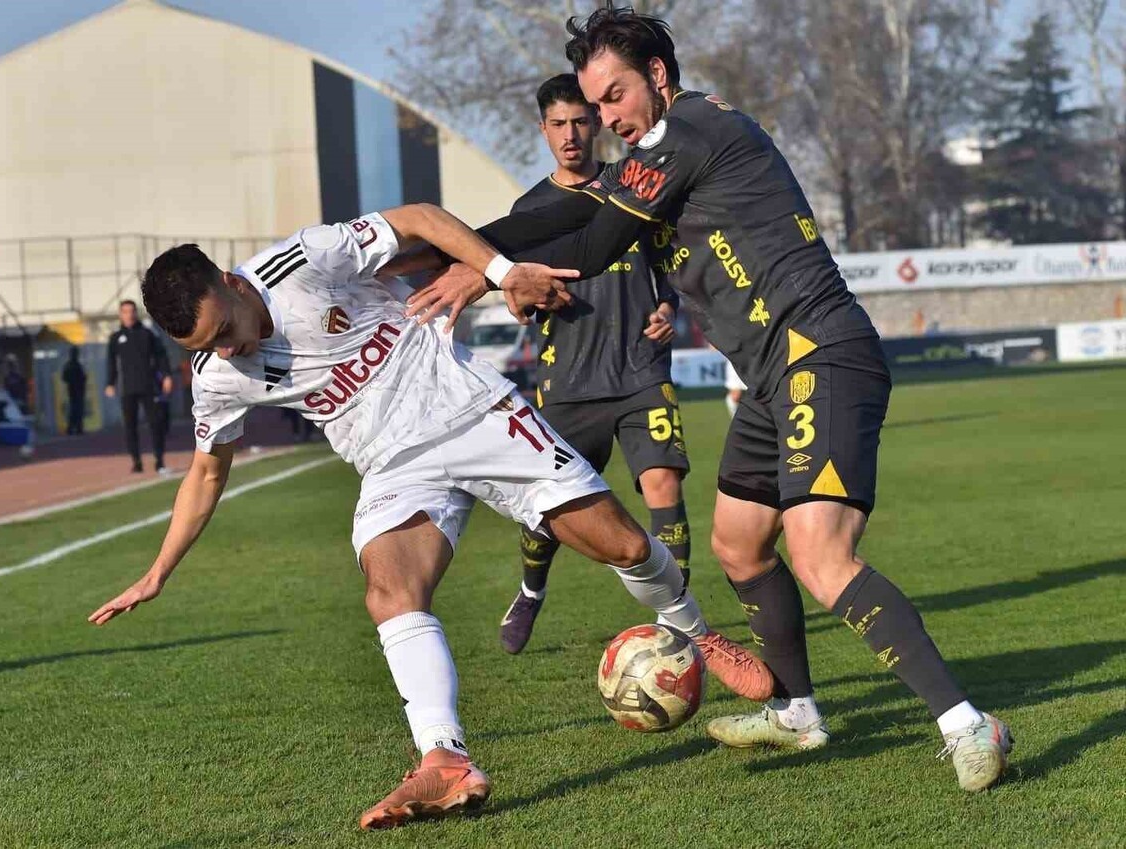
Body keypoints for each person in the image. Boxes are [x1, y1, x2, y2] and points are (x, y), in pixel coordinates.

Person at [402, 4, 1011, 792]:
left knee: (822, 557)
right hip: (772, 372)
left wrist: (481, 266)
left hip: (817, 352)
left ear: (657, 76)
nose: (607, 118)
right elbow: (571, 210)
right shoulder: (662, 145)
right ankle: (796, 710)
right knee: (738, 543)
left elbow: (590, 244)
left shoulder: (687, 134)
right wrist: (454, 248)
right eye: (596, 106)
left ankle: (968, 722)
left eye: (616, 96)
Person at [87, 203, 770, 830]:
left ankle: (695, 632)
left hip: (470, 410)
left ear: (233, 285)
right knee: (389, 589)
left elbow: (416, 218)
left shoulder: (303, 262)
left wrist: (500, 275)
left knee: (622, 545)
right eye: (207, 346)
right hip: (393, 463)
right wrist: (158, 572)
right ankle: (443, 758)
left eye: (224, 332)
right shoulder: (216, 375)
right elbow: (207, 472)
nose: (227, 351)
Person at [497, 73, 694, 656]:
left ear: (597, 121)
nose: (571, 134)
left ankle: (676, 622)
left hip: (641, 369)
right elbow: (518, 289)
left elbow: (670, 264)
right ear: (543, 130)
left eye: (581, 120)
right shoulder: (531, 209)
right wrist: (530, 299)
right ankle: (531, 591)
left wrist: (668, 304)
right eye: (558, 124)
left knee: (664, 486)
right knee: (548, 508)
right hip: (569, 381)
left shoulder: (630, 184)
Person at [105, 300, 172, 473]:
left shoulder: (147, 334)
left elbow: (161, 356)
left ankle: (159, 460)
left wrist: (166, 376)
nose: (129, 315)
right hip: (128, 389)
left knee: (156, 423)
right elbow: (111, 363)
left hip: (148, 386)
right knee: (130, 427)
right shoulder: (115, 338)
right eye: (125, 312)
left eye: (132, 311)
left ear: (136, 313)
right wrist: (110, 383)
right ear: (120, 314)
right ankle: (136, 461)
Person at [62, 347, 87, 435]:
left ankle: (74, 428)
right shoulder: (74, 365)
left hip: (74, 390)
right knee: (76, 409)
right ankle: (75, 428)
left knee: (76, 409)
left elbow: (64, 377)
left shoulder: (71, 365)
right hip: (76, 390)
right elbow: (83, 377)